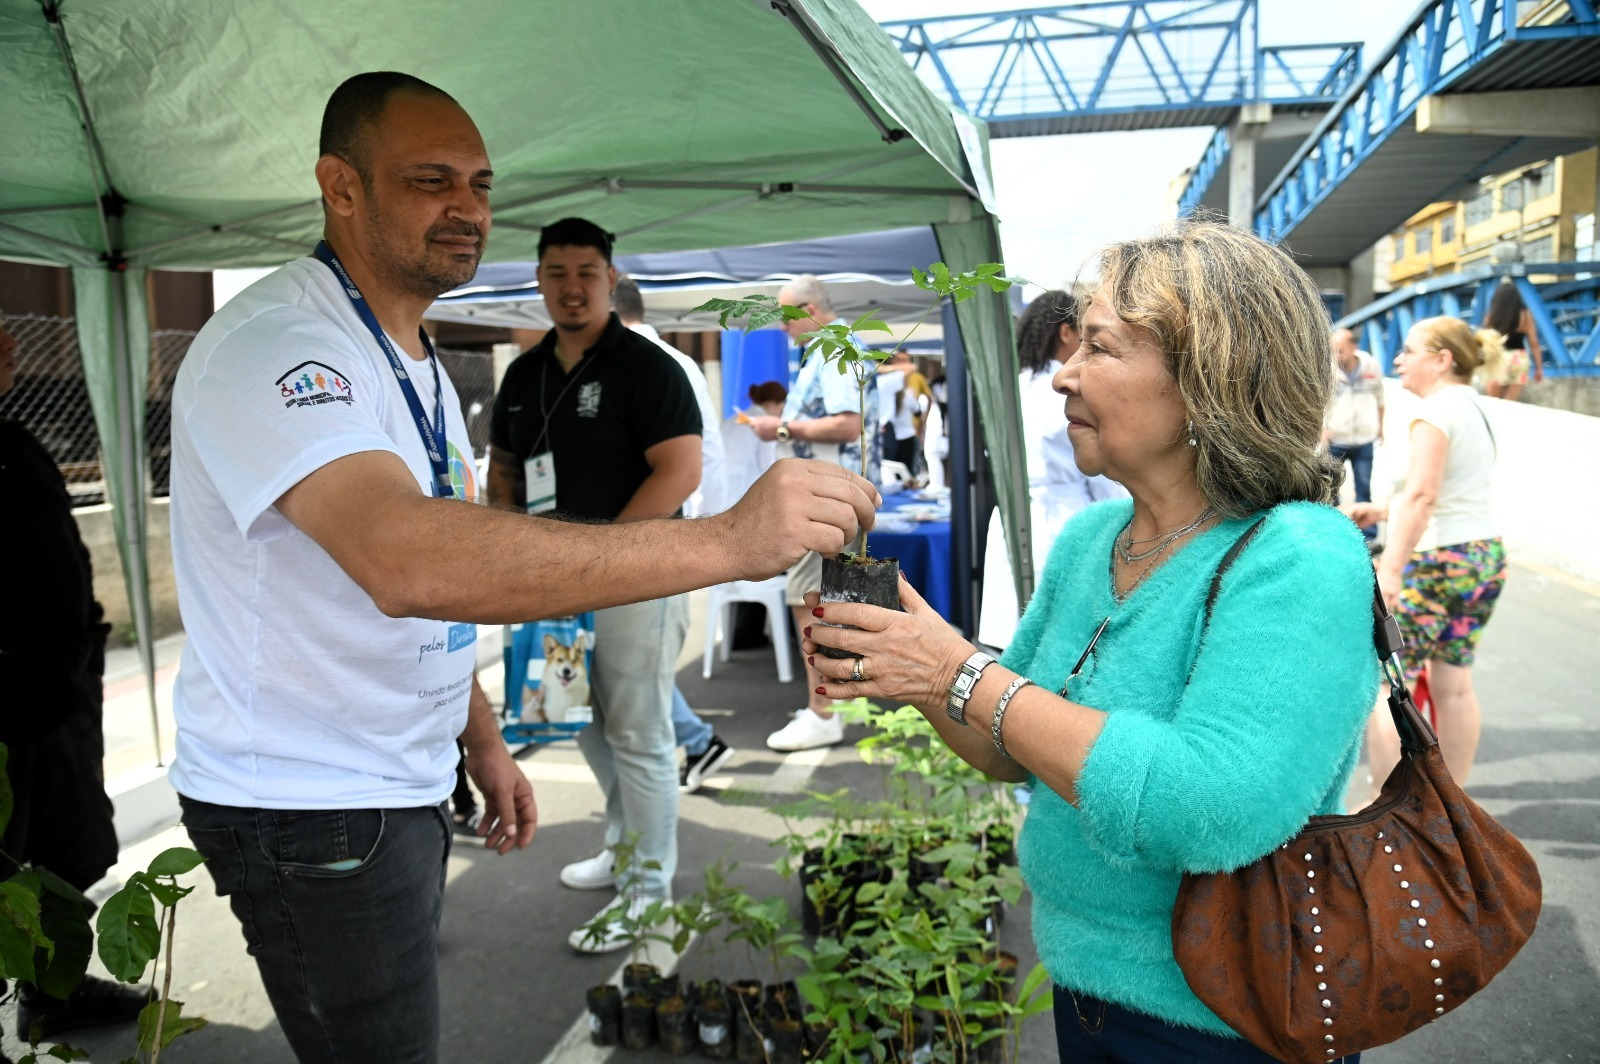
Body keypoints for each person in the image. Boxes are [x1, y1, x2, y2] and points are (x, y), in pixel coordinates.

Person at [167, 72, 877, 1064]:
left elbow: (397, 582)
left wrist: (479, 732)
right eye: (430, 180)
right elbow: (402, 555)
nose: (467, 208)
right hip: (312, 797)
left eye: (480, 183)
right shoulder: (282, 341)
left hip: (395, 770)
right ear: (340, 185)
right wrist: (726, 538)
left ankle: (645, 872)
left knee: (632, 736)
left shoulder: (410, 350)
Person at [800, 222, 1376, 1063]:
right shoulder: (1091, 539)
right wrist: (917, 664)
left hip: (1230, 1019)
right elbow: (1012, 753)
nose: (1064, 373)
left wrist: (959, 671)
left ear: (1209, 376)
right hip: (1085, 987)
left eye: (1099, 347)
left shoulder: (1302, 555)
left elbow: (1210, 809)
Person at [487, 219, 704, 949]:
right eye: (556, 273)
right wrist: (511, 550)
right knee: (578, 720)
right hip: (549, 586)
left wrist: (603, 557)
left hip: (636, 582)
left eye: (586, 272)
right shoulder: (525, 372)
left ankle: (650, 890)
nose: (571, 287)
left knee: (639, 734)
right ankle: (623, 850)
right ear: (539, 279)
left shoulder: (649, 367)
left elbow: (680, 470)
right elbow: (507, 473)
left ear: (610, 279)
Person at [0, 324, 145, 1048]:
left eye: (2, 342)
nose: (6, 356)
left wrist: (86, 646)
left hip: (56, 702)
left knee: (72, 854)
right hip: (4, 717)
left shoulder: (17, 442)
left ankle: (53, 990)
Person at [1345, 316, 1506, 800]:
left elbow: (1424, 496)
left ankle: (1391, 807)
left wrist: (1390, 568)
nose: (1398, 360)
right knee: (1453, 682)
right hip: (1482, 554)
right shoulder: (1474, 407)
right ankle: (1448, 804)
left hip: (1435, 562)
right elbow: (1451, 489)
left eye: (1409, 350)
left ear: (1442, 360)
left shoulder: (1433, 414)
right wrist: (1382, 508)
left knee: (1389, 681)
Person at [744, 275, 881, 752]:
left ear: (810, 308)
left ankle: (824, 712)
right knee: (834, 603)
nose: (781, 326)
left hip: (827, 500)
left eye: (785, 315)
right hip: (836, 497)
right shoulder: (837, 345)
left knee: (811, 599)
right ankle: (834, 705)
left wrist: (780, 428)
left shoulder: (832, 348)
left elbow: (846, 423)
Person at [611, 275, 735, 795]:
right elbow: (709, 459)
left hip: (647, 541)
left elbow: (683, 467)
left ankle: (697, 740)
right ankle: (696, 739)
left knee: (635, 679)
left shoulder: (641, 363)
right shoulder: (672, 360)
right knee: (632, 676)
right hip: (663, 537)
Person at [979, 291, 1125, 649]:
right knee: (1062, 633)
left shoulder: (1011, 387)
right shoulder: (1065, 394)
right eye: (1085, 338)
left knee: (1014, 630)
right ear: (1065, 333)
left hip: (1013, 513)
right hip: (1064, 513)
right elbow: (1101, 470)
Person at [1323, 327, 1385, 541]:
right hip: (1337, 440)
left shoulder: (1371, 367)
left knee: (1363, 488)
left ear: (1354, 348)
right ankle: (1339, 533)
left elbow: (1380, 397)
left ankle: (1368, 536)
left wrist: (1381, 426)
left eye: (1341, 351)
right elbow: (1319, 403)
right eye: (1333, 351)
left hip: (1364, 439)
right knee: (1332, 490)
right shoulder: (1327, 369)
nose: (1337, 356)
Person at [1481, 281, 1543, 401]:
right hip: (1519, 359)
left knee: (1493, 403)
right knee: (1510, 405)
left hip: (1498, 359)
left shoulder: (1491, 316)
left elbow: (1486, 340)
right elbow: (1534, 343)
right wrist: (1539, 368)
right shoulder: (1526, 315)